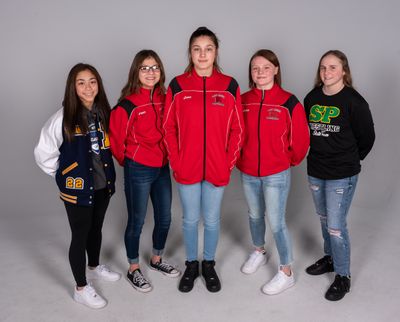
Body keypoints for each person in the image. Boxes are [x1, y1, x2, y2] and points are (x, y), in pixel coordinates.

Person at [163, 27, 244, 293]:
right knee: (189, 220)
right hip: (187, 166)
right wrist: (177, 161)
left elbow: (238, 130)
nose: (202, 54)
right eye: (197, 49)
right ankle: (191, 264)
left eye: (208, 49)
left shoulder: (229, 85)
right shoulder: (177, 85)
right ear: (190, 52)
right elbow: (168, 128)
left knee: (211, 220)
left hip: (216, 168)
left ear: (216, 52)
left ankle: (208, 264)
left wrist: (227, 162)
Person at [34, 63, 121, 309]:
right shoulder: (61, 119)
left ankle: (93, 266)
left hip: (102, 185)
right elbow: (43, 154)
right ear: (72, 87)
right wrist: (63, 177)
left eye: (92, 81)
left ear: (99, 85)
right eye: (81, 82)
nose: (87, 87)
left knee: (96, 228)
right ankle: (81, 287)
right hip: (78, 189)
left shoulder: (103, 112)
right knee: (80, 234)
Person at [304, 50, 375, 301]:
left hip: (341, 174)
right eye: (323, 67)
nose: (327, 72)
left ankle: (343, 276)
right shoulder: (311, 98)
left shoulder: (355, 102)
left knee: (335, 226)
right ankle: (331, 258)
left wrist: (349, 161)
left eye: (333, 67)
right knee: (324, 219)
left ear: (344, 71)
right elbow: (307, 134)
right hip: (316, 170)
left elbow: (367, 138)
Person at [237, 49, 309, 295]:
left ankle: (286, 272)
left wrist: (286, 161)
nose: (260, 72)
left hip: (276, 173)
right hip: (248, 171)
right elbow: (233, 133)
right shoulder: (243, 100)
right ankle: (259, 251)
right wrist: (239, 159)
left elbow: (300, 139)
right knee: (255, 215)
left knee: (276, 222)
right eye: (255, 68)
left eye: (266, 67)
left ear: (276, 70)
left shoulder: (289, 101)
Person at [109, 50, 180, 293]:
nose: (150, 72)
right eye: (144, 68)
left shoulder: (167, 98)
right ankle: (133, 268)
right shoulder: (127, 105)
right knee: (137, 221)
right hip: (138, 168)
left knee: (165, 217)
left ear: (161, 71)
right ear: (135, 73)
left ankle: (157, 259)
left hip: (162, 168)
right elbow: (116, 143)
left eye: (155, 67)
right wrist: (131, 162)